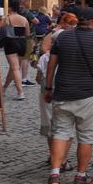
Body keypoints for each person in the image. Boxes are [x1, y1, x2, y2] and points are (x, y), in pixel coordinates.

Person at [44, 7, 93, 184]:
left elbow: (51, 64)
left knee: (60, 133)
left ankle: (54, 174)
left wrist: (48, 88)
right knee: (85, 137)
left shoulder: (62, 37)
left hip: (62, 93)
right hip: (88, 96)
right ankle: (80, 176)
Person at [36, 12, 79, 173]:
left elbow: (38, 77)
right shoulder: (70, 56)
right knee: (65, 125)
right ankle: (63, 160)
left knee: (49, 124)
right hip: (65, 90)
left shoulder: (45, 57)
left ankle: (53, 156)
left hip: (46, 91)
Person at [0, 0, 29, 100]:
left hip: (10, 43)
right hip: (22, 43)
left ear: (10, 8)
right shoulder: (24, 19)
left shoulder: (7, 18)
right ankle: (4, 88)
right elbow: (27, 34)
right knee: (14, 68)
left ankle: (20, 92)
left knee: (15, 68)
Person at [17, 0, 39, 86]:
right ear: (24, 2)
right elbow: (36, 21)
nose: (29, 2)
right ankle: (24, 79)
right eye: (28, 0)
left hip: (17, 36)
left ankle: (17, 78)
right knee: (25, 58)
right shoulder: (26, 12)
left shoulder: (16, 10)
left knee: (18, 59)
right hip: (27, 37)